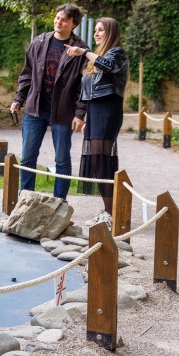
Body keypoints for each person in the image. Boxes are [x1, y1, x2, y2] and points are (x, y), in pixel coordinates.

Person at [9, 4, 89, 200]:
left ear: (74, 24)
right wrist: (19, 98)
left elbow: (84, 85)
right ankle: (26, 198)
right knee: (27, 157)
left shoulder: (81, 50)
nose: (58, 22)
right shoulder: (39, 42)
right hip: (35, 110)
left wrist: (80, 113)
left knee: (62, 159)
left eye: (64, 19)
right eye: (57, 17)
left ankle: (59, 201)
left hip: (62, 112)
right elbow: (27, 74)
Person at [65, 17, 129, 226]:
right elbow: (88, 89)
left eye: (101, 30)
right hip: (95, 110)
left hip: (109, 109)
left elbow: (109, 67)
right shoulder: (98, 56)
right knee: (95, 163)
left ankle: (111, 214)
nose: (96, 34)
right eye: (96, 31)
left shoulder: (117, 53)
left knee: (102, 162)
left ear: (110, 32)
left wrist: (84, 52)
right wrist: (85, 117)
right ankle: (108, 210)